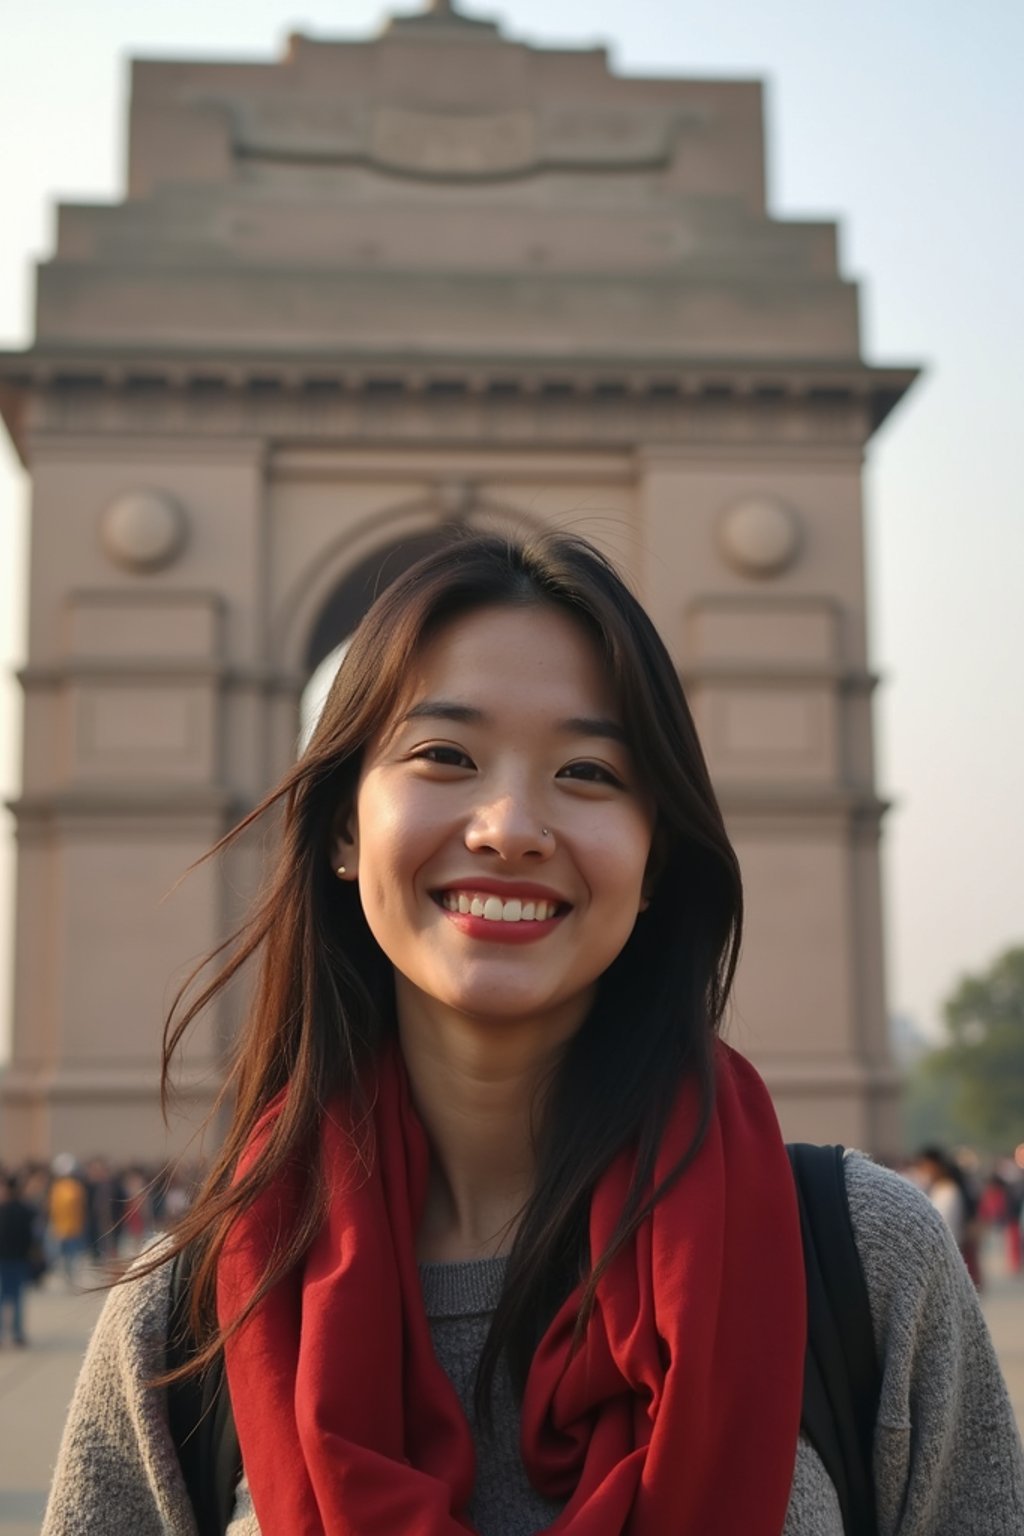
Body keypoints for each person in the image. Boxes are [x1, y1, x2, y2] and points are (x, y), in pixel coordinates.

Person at [42, 533, 1024, 1534]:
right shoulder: (190, 1319)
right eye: (445, 755)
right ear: (342, 827)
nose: (509, 826)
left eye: (588, 771)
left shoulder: (863, 1264)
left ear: (655, 858)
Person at [0, 1173, 36, 1346]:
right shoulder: (26, 1210)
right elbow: (31, 1237)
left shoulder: (6, 1210)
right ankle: (17, 1333)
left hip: (8, 1259)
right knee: (17, 1298)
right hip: (19, 1259)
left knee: (7, 1298)